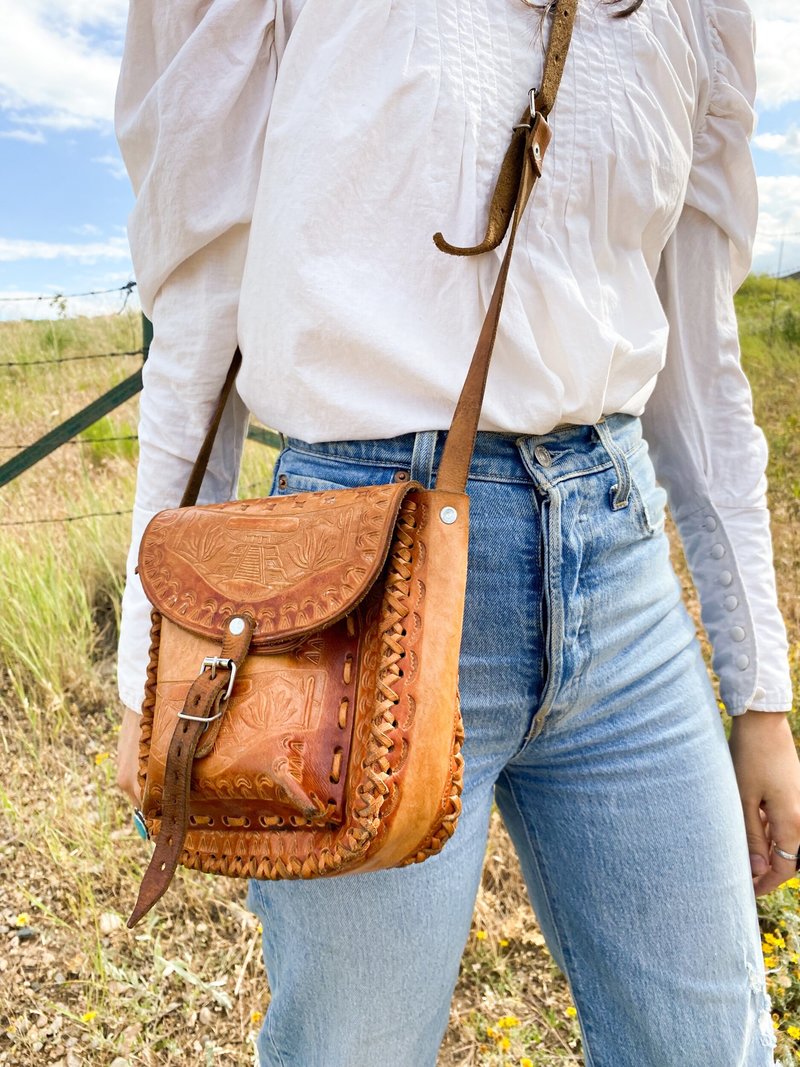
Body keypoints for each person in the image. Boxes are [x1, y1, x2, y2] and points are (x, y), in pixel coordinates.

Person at [113, 0, 800, 1063]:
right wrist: (151, 669)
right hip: (353, 581)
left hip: (618, 569)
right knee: (352, 1048)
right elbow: (200, 312)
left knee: (710, 1044)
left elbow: (702, 372)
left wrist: (760, 698)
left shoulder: (693, 15)